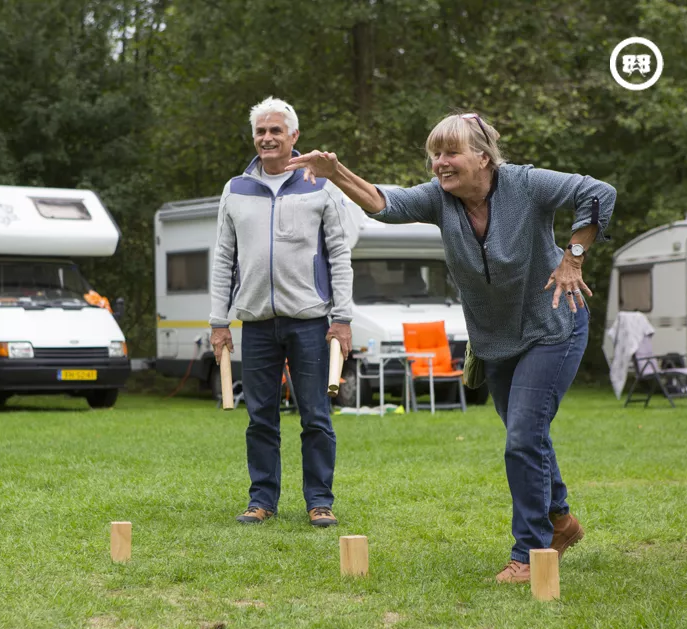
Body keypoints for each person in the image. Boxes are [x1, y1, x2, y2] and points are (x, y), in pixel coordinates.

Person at [287, 112, 616, 580]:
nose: (440, 163)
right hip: (494, 341)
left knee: (524, 435)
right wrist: (336, 172)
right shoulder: (440, 200)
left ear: (483, 157)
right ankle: (560, 521)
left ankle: (527, 554)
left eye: (451, 152)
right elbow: (384, 202)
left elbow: (599, 192)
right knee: (528, 435)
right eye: (435, 154)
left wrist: (573, 257)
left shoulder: (525, 184)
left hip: (552, 327)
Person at [209, 97, 355, 527]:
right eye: (261, 131)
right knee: (260, 418)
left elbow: (340, 254)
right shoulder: (235, 189)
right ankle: (262, 501)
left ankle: (319, 501)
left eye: (276, 131)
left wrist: (342, 318)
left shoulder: (320, 186)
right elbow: (222, 258)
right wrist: (219, 321)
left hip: (310, 320)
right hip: (254, 322)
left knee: (315, 416)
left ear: (294, 137)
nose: (267, 138)